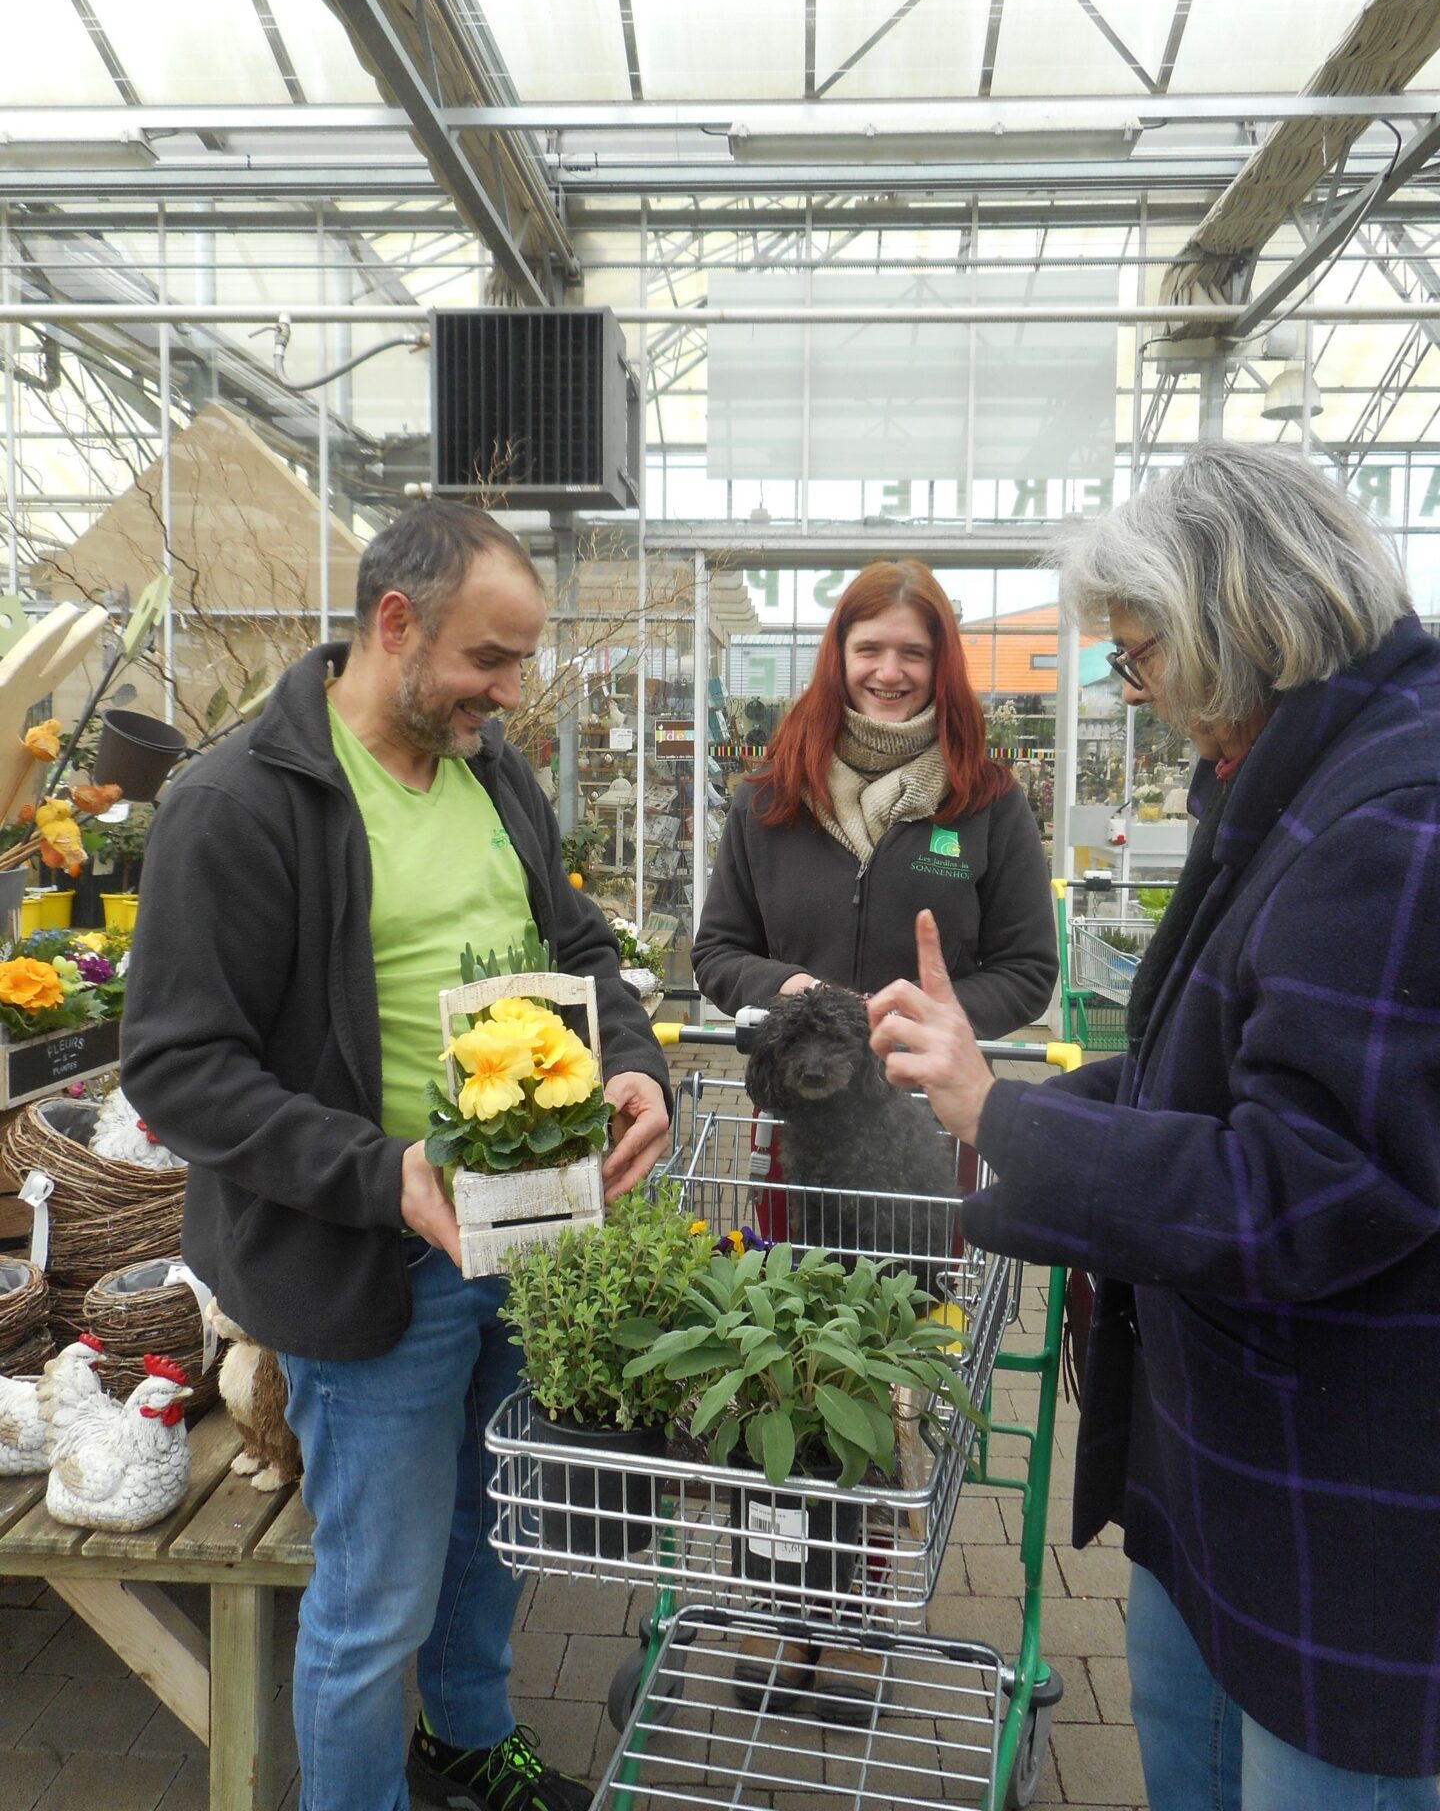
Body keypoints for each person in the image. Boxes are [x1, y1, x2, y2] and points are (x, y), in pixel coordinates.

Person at [868, 442, 1440, 1808]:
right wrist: (1008, 1121)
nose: (1143, 695)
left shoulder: (1396, 819)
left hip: (1335, 1510)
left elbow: (1307, 1184)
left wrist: (1004, 1112)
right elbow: (1204, 1078)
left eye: (1139, 656)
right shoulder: (1301, 781)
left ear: (1243, 618)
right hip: (1231, 1466)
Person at [121, 503, 672, 1811]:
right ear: (394, 624)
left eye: (522, 661)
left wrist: (636, 1059)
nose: (511, 691)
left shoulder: (490, 771)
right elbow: (179, 1067)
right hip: (372, 1261)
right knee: (374, 1594)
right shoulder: (237, 802)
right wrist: (386, 1176)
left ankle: (468, 1741)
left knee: (498, 1532)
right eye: (492, 658)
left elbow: (582, 945)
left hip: (528, 1229)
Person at [692, 559, 1056, 1031]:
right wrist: (790, 989)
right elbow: (718, 953)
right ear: (838, 657)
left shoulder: (988, 800)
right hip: (800, 1084)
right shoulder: (772, 794)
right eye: (869, 649)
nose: (889, 672)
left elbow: (1028, 971)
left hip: (935, 1094)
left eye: (913, 653)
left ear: (940, 663)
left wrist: (929, 1016)